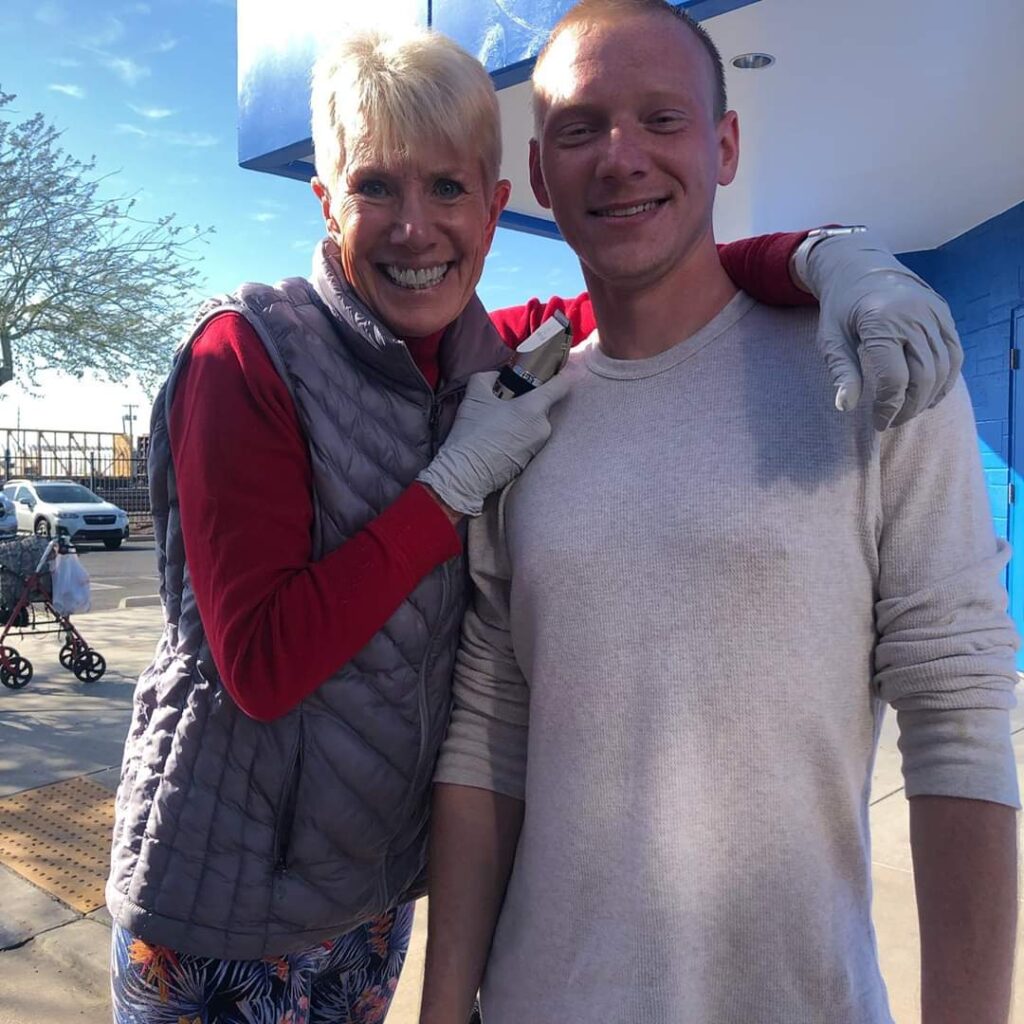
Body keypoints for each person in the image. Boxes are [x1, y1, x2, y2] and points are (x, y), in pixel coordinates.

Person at [106, 22, 966, 1024]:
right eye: (375, 186)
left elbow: (667, 272)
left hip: (367, 906)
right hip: (219, 911)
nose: (415, 228)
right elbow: (262, 664)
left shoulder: (489, 350)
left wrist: (833, 258)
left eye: (446, 187)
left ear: (496, 203)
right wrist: (444, 495)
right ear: (325, 202)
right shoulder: (244, 356)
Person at [423, 4, 1019, 1024]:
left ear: (725, 145)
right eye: (580, 127)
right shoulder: (520, 416)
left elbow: (957, 715)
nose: (621, 157)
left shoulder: (870, 373)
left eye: (662, 118)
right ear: (539, 172)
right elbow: (489, 731)